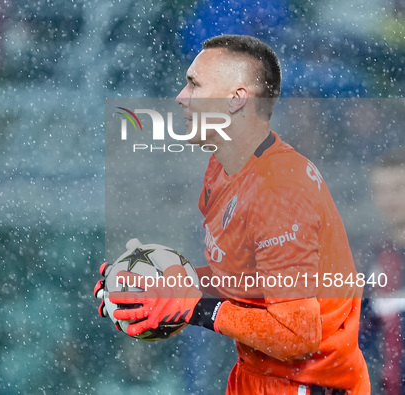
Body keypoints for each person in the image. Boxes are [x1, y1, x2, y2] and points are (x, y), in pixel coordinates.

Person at [95, 34, 370, 394]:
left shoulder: (278, 192)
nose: (180, 97)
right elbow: (248, 277)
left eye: (194, 84)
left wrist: (195, 309)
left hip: (306, 385)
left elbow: (298, 334)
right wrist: (161, 285)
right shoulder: (223, 167)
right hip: (258, 377)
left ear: (236, 100)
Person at [360, 148, 405, 393]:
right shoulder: (375, 259)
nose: (389, 200)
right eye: (381, 191)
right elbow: (363, 335)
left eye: (398, 189)